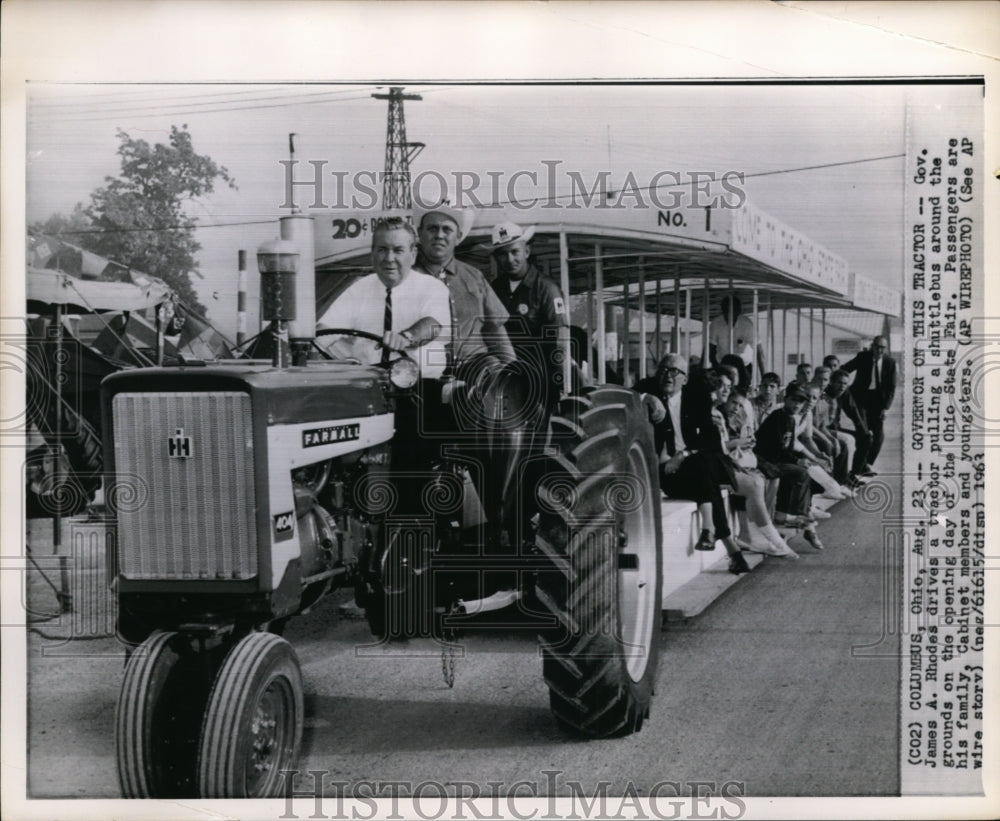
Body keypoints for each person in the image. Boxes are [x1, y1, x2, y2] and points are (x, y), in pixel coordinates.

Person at [317, 218, 451, 488]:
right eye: (381, 249)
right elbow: (323, 330)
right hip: (364, 390)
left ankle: (411, 516)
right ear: (372, 253)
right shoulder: (359, 289)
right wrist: (344, 354)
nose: (389, 258)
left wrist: (406, 337)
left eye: (398, 250)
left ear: (413, 253)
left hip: (415, 393)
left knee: (411, 455)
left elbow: (433, 324)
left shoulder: (432, 288)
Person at [635, 354, 753, 574]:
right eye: (663, 369)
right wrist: (647, 398)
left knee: (701, 462)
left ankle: (710, 529)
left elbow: (709, 441)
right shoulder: (649, 388)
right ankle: (730, 548)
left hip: (697, 461)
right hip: (672, 474)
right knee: (704, 477)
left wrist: (682, 455)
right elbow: (627, 393)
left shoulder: (697, 398)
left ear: (685, 379)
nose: (667, 375)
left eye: (674, 372)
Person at [413, 200, 515, 380]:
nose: (439, 235)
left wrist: (512, 374)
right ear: (420, 233)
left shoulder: (475, 276)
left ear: (458, 237)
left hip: (476, 372)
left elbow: (496, 330)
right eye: (432, 228)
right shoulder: (405, 279)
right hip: (424, 377)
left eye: (447, 229)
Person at [488, 221, 569, 413]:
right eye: (502, 254)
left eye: (514, 251)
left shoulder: (547, 288)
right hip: (504, 379)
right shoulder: (495, 288)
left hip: (540, 380)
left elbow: (560, 339)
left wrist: (556, 382)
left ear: (526, 251)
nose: (509, 259)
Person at [717, 372, 798, 558]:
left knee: (762, 477)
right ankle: (772, 538)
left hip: (733, 459)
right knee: (755, 481)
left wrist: (744, 442)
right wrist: (738, 443)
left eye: (739, 405)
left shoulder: (733, 416)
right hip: (719, 462)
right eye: (733, 403)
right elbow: (717, 446)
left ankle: (750, 533)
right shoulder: (716, 415)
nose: (737, 408)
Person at [754, 382, 825, 551]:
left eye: (800, 402)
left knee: (807, 472)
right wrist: (797, 460)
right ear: (785, 400)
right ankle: (795, 516)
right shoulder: (778, 417)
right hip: (764, 460)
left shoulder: (791, 420)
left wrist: (802, 459)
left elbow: (790, 444)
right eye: (793, 400)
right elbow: (777, 448)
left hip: (777, 459)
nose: (796, 405)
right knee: (800, 473)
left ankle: (799, 517)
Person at [841, 336, 896, 473]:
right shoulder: (862, 357)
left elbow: (891, 387)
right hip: (860, 399)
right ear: (872, 346)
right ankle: (860, 466)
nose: (879, 350)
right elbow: (845, 369)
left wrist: (885, 408)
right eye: (877, 346)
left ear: (886, 349)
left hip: (877, 401)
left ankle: (867, 463)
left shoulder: (890, 362)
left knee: (878, 435)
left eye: (882, 348)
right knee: (864, 432)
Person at [708, 295, 764, 376]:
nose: (730, 315)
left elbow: (759, 352)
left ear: (739, 311)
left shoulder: (747, 324)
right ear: (722, 310)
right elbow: (710, 350)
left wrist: (764, 376)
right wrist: (715, 368)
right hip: (723, 366)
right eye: (726, 311)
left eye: (733, 311)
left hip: (743, 367)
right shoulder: (716, 323)